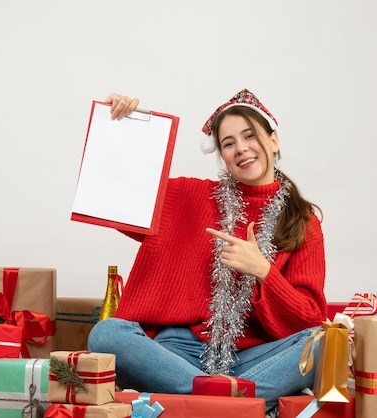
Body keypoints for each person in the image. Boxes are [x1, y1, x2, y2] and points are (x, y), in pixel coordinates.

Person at [87, 89, 327, 412]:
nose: (241, 149)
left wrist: (263, 271)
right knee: (106, 335)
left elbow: (308, 319)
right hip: (179, 353)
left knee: (322, 344)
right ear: (222, 155)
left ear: (273, 141)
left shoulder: (303, 222)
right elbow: (120, 199)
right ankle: (229, 405)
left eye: (249, 136)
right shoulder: (191, 196)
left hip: (254, 359)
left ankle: (207, 402)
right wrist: (123, 128)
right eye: (229, 143)